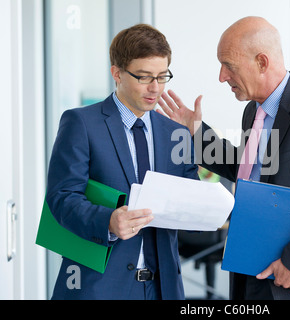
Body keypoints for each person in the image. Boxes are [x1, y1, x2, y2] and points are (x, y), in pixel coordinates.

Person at [157, 17, 290, 300]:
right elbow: (250, 171)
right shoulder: (254, 112)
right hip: (255, 274)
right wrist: (196, 133)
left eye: (228, 65)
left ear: (262, 62)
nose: (222, 76)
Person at [46, 24, 198, 300]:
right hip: (98, 286)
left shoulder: (175, 132)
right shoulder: (81, 123)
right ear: (116, 73)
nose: (155, 88)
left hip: (163, 288)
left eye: (162, 76)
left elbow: (189, 198)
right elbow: (62, 197)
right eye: (144, 77)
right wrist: (108, 222)